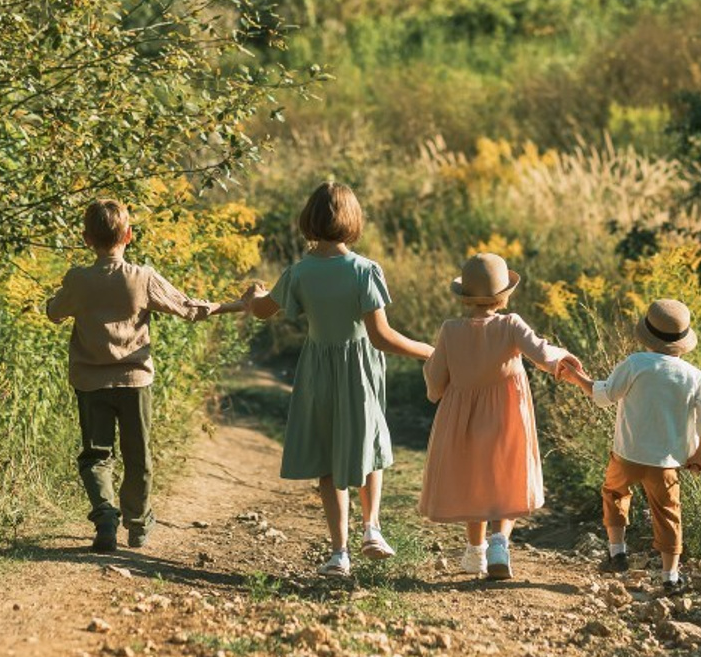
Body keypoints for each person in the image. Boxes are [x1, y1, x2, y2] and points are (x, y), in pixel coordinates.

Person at [241, 181, 433, 578]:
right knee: (370, 446)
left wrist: (252, 295)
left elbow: (263, 310)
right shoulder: (364, 271)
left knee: (328, 458)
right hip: (359, 370)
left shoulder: (298, 273)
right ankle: (372, 528)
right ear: (352, 220)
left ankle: (338, 552)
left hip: (317, 371)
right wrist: (429, 350)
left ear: (308, 220)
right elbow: (381, 336)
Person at [46, 198, 246, 553]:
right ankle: (137, 524)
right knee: (138, 455)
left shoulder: (78, 279)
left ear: (86, 238)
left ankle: (105, 515)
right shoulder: (142, 278)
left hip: (91, 384)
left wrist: (60, 299)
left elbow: (54, 313)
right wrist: (238, 304)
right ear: (129, 235)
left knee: (96, 455)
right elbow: (189, 309)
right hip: (135, 382)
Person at [419, 252, 583, 581]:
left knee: (474, 479)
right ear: (505, 295)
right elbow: (540, 353)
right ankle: (498, 544)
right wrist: (563, 358)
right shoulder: (511, 325)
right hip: (507, 417)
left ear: (465, 297)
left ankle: (475, 553)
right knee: (505, 478)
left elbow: (435, 382)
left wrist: (435, 390)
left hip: (462, 419)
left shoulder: (450, 330)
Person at [560, 298, 701, 591]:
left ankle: (617, 552)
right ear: (682, 342)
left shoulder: (635, 364)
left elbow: (604, 396)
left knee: (614, 492)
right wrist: (700, 456)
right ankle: (670, 577)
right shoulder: (695, 377)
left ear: (646, 335)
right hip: (666, 464)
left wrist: (575, 376)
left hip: (627, 456)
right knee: (668, 513)